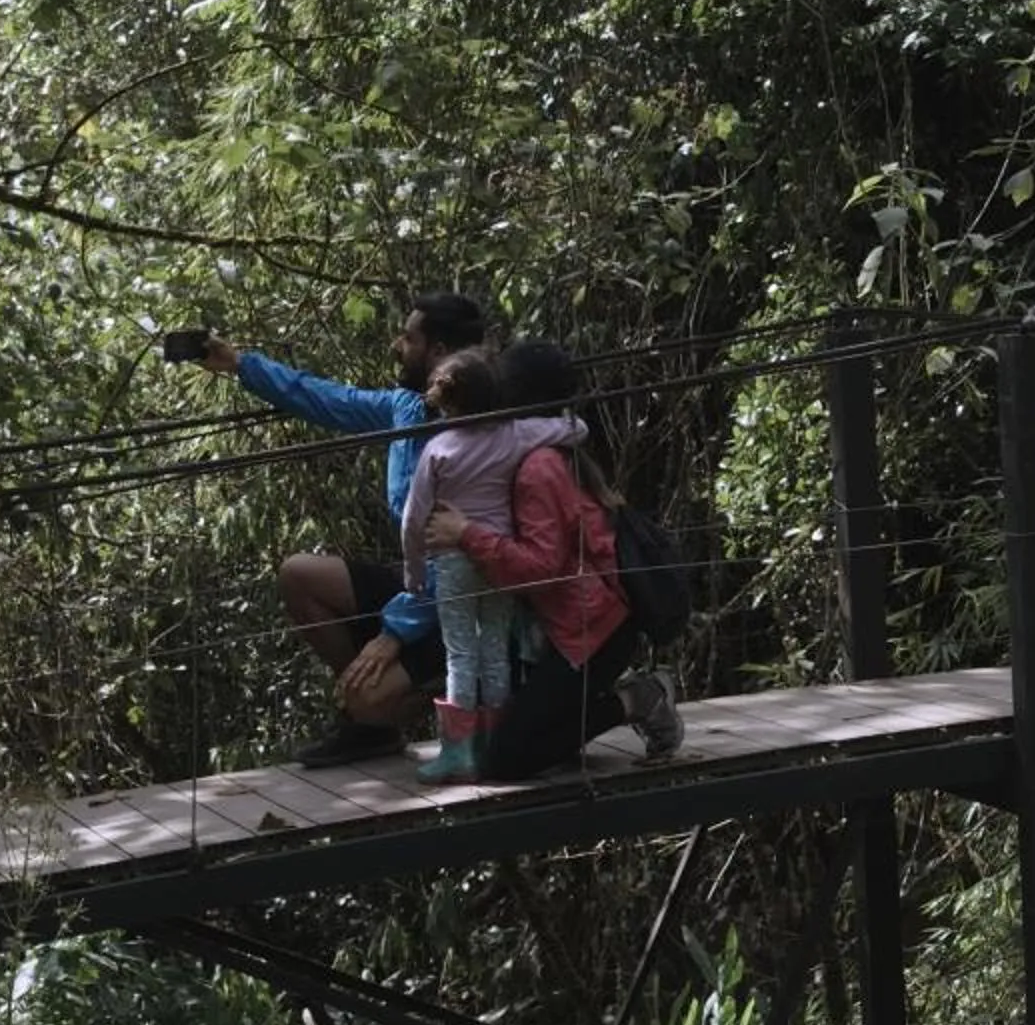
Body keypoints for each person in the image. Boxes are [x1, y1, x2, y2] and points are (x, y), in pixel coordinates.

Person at [189, 292, 491, 767]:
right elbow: (326, 399)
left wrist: (392, 635)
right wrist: (239, 364)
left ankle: (386, 710)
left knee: (365, 699)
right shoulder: (407, 409)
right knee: (299, 575)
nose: (397, 345)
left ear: (437, 352)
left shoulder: (483, 433)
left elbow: (463, 562)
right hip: (418, 586)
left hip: (463, 603)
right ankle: (373, 722)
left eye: (408, 337)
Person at [418, 339, 683, 777]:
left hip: (594, 630)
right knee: (519, 739)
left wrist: (466, 534)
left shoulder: (537, 466)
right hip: (586, 625)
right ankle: (587, 713)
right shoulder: (546, 449)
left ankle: (640, 698)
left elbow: (539, 571)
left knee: (507, 760)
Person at [399, 346, 587, 784]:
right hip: (499, 555)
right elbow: (576, 428)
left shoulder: (438, 451)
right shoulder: (515, 434)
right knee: (496, 650)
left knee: (461, 652)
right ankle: (494, 742)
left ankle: (458, 751)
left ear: (447, 400)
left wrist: (413, 571)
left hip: (453, 561)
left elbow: (414, 517)